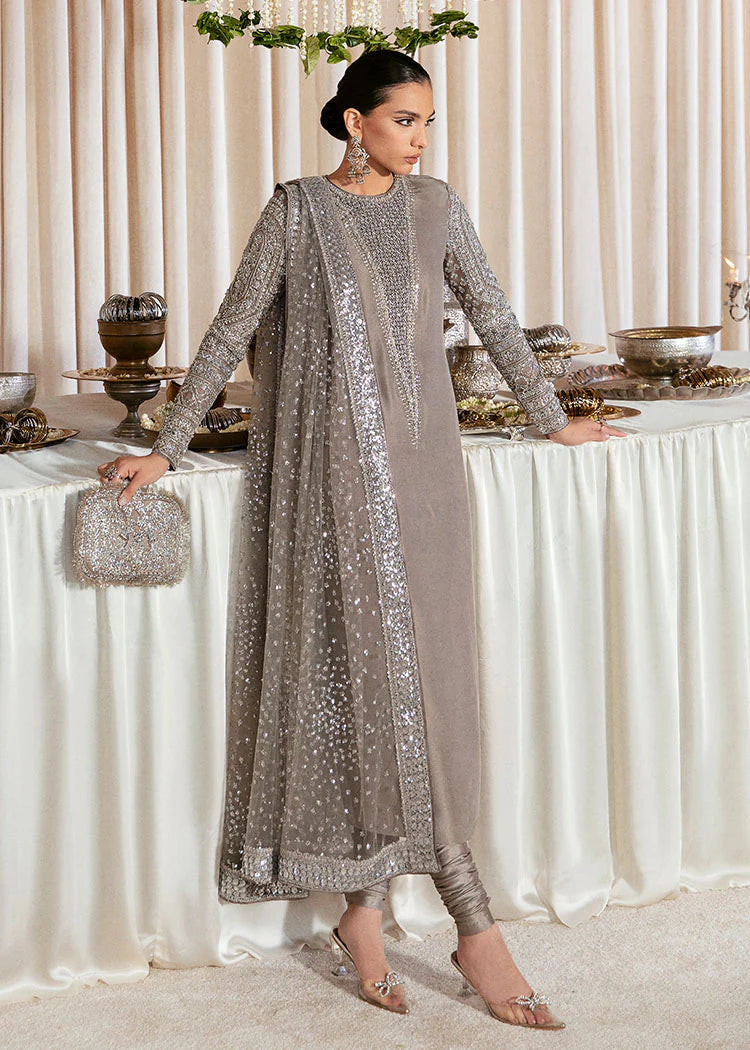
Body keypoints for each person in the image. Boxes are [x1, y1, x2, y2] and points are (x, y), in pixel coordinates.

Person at [98, 49, 625, 1030]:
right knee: (370, 681)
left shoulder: (437, 208)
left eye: (427, 121)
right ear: (354, 122)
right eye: (403, 121)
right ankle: (471, 926)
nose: (419, 139)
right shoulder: (297, 212)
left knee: (431, 687)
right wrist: (165, 448)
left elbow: (493, 314)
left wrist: (552, 417)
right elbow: (229, 331)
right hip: (332, 480)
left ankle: (364, 915)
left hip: (428, 479)